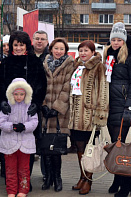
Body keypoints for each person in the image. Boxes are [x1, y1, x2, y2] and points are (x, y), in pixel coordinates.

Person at [0, 31, 47, 187]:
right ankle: (10, 180)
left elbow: (42, 85)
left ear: (26, 46)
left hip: (28, 110)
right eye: (15, 45)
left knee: (27, 147)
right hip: (9, 110)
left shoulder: (34, 62)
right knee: (7, 144)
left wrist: (36, 103)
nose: (18, 48)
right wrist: (2, 102)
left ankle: (26, 180)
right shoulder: (5, 62)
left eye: (21, 45)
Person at [103, 22, 131, 197]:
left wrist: (130, 106)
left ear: (125, 41)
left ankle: (127, 183)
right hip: (110, 105)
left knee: (120, 144)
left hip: (124, 105)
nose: (116, 42)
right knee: (114, 143)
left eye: (119, 39)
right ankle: (118, 179)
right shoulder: (108, 55)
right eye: (113, 39)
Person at [69, 40, 109, 195]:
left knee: (89, 148)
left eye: (86, 50)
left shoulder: (99, 67)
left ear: (93, 52)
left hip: (89, 115)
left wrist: (100, 113)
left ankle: (89, 180)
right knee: (79, 147)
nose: (83, 53)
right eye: (81, 50)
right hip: (75, 116)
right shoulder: (77, 66)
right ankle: (82, 176)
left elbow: (103, 91)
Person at [41, 38, 74, 192]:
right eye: (56, 48)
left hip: (59, 114)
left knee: (56, 149)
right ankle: (47, 177)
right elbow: (40, 86)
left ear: (65, 51)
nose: (58, 51)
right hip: (45, 112)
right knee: (45, 148)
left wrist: (57, 107)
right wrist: (43, 107)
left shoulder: (69, 64)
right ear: (51, 49)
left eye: (61, 49)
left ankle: (57, 178)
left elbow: (67, 88)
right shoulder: (45, 63)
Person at [0, 78, 38, 197]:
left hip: (25, 143)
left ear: (26, 94)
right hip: (9, 142)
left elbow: (34, 122)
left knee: (24, 169)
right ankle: (11, 190)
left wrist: (24, 127)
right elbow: (1, 122)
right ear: (11, 94)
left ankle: (23, 190)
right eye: (16, 94)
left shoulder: (30, 107)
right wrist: (12, 127)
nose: (19, 97)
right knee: (10, 169)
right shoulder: (7, 106)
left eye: (21, 94)